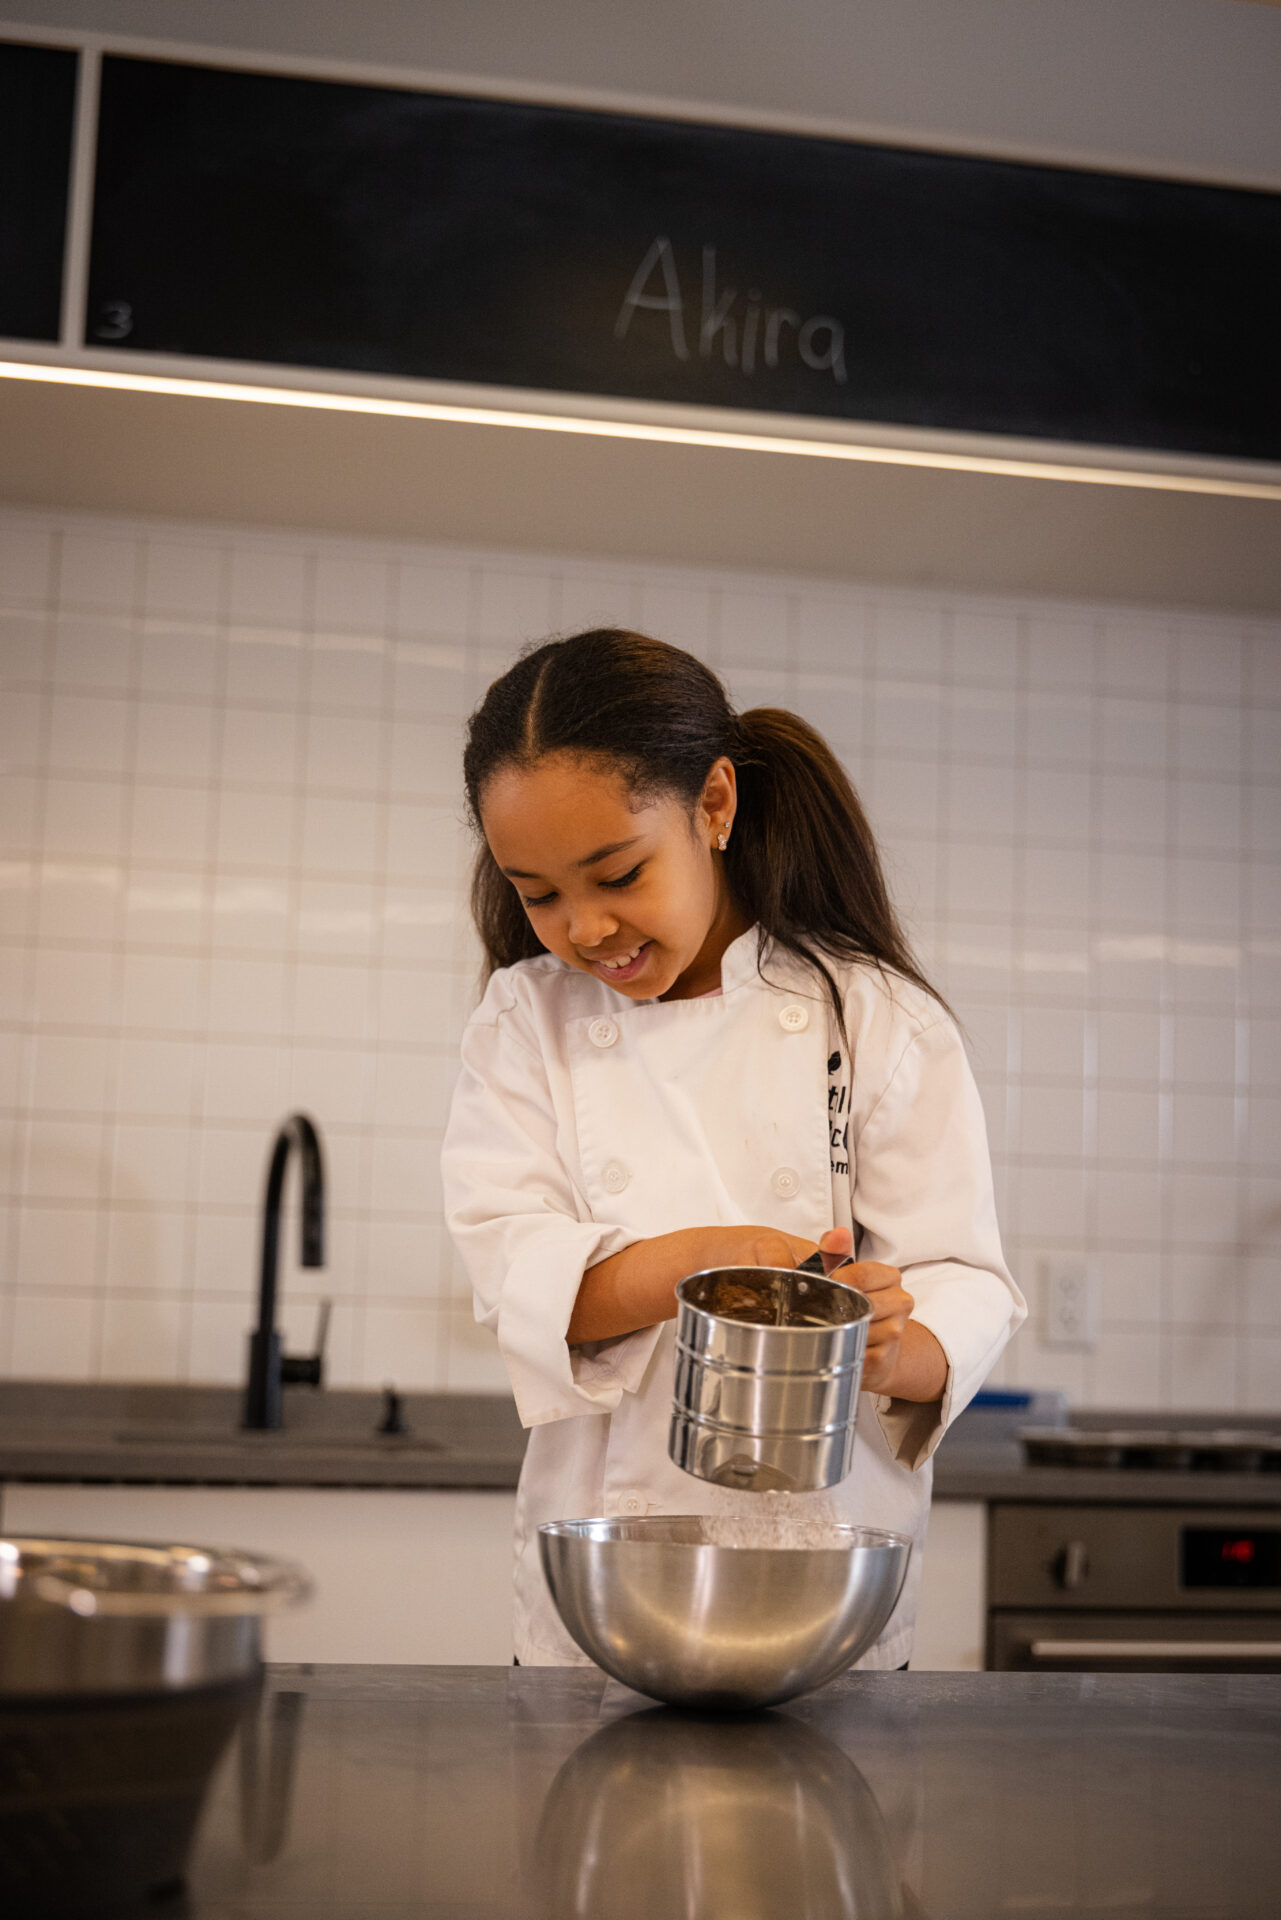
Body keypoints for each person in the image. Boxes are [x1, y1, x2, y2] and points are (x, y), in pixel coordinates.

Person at [441, 629, 1025, 1669]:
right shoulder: (525, 1024)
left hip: (829, 1581)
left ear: (713, 806)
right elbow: (518, 1277)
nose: (585, 929)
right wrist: (712, 1264)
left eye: (619, 874)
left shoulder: (873, 1018)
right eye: (540, 894)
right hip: (603, 1597)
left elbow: (962, 1277)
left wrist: (896, 1346)